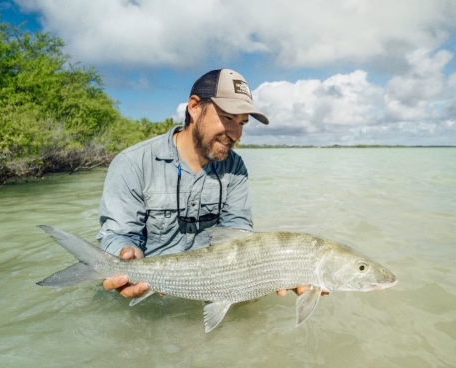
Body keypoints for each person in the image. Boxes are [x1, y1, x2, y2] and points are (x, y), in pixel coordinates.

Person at [98, 68, 328, 299]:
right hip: (148, 293)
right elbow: (117, 235)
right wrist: (124, 255)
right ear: (194, 107)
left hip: (215, 287)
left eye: (242, 123)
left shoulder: (235, 167)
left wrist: (276, 268)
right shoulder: (132, 163)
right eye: (228, 118)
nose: (236, 134)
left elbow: (237, 232)